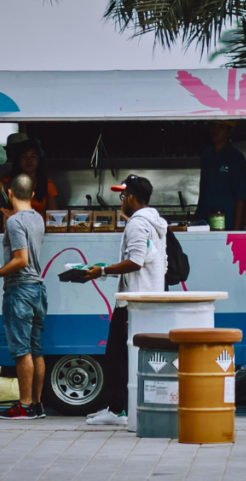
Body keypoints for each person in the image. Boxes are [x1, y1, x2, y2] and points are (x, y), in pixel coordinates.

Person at [81, 175, 168, 425]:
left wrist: (102, 271)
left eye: (122, 196)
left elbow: (136, 261)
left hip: (133, 302)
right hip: (146, 298)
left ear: (130, 197)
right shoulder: (156, 222)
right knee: (123, 356)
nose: (120, 202)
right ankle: (119, 407)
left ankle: (119, 411)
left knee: (118, 358)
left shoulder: (138, 224)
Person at [0, 174, 47, 420]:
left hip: (20, 290)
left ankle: (23, 406)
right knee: (36, 350)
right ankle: (36, 405)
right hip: (38, 289)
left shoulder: (15, 222)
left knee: (22, 350)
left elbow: (21, 260)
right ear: (32, 195)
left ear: (10, 194)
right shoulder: (37, 218)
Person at [194, 120, 246, 230]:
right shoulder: (206, 156)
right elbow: (203, 191)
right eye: (213, 125)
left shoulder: (236, 158)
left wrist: (236, 232)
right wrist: (195, 219)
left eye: (221, 127)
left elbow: (241, 198)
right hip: (204, 222)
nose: (215, 130)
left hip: (226, 223)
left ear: (230, 131)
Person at [0, 139, 58, 218]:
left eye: (33, 156)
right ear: (18, 160)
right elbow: (2, 187)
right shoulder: (8, 179)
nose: (29, 160)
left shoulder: (47, 183)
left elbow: (53, 215)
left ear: (38, 161)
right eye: (24, 156)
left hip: (38, 229)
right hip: (14, 227)